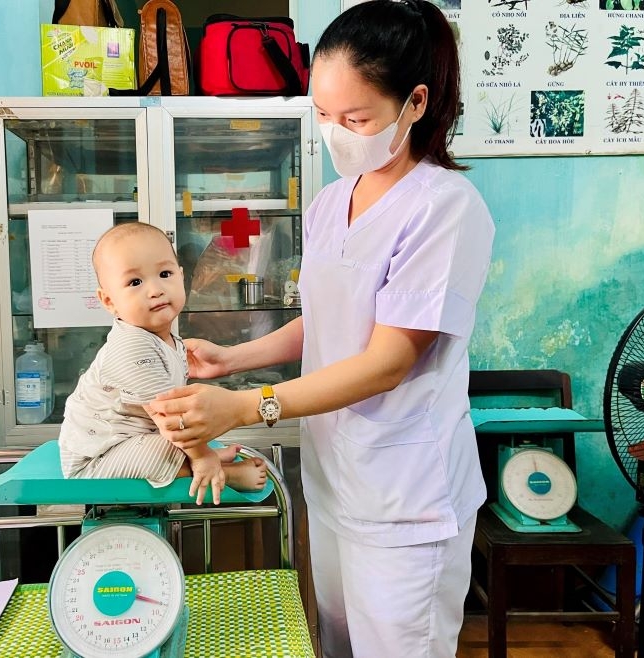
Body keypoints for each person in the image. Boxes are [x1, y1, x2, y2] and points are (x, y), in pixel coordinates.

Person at [147, 1, 495, 655]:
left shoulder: (444, 208)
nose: (336, 133)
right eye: (323, 115)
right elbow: (330, 319)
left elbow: (389, 358)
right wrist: (231, 360)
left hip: (404, 501)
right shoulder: (335, 201)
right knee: (336, 643)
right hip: (335, 484)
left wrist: (248, 405)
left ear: (415, 102)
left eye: (355, 117)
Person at [58, 222, 267, 505]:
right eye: (135, 282)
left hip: (135, 440)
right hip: (97, 459)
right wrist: (203, 455)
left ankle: (199, 460)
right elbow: (171, 420)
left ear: (182, 277)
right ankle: (223, 473)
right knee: (161, 449)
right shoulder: (131, 346)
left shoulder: (168, 339)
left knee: (176, 438)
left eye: (165, 274)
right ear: (109, 301)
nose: (155, 290)